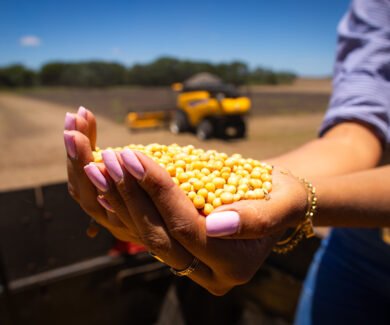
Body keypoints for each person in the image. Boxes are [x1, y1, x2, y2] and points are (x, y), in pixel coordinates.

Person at [63, 0, 390, 323]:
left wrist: (303, 202)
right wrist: (260, 189)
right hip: (358, 255)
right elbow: (354, 137)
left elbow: (303, 193)